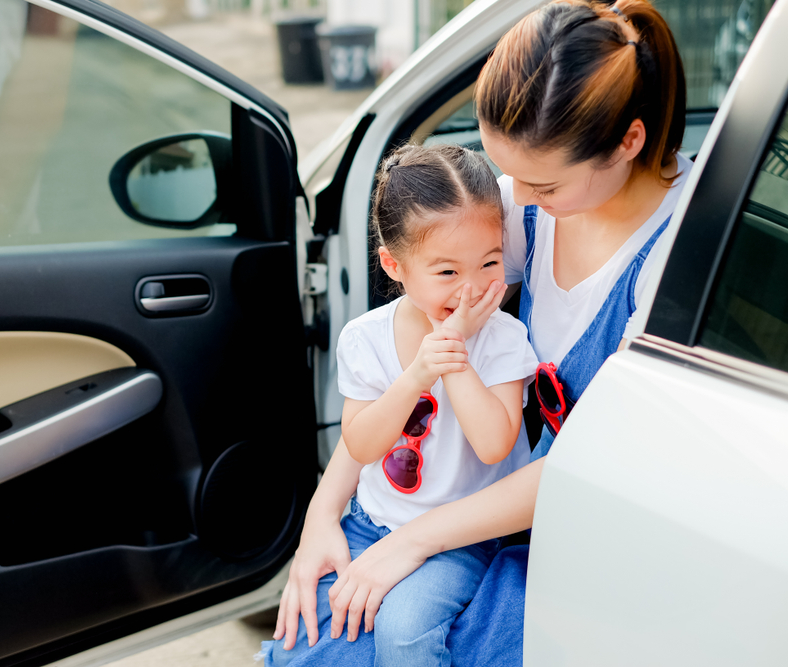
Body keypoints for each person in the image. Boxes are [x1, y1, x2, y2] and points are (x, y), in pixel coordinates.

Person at [268, 0, 691, 665]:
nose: (516, 195)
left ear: (628, 142)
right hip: (485, 506)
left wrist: (415, 540)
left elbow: (596, 466)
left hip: (581, 520)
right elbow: (404, 350)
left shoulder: (670, 264)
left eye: (540, 183)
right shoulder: (530, 211)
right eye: (509, 172)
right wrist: (324, 513)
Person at [258, 143, 539, 666]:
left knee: (405, 632)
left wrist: (453, 360)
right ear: (395, 265)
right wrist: (418, 373)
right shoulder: (366, 338)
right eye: (447, 273)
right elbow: (361, 443)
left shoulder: (502, 338)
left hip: (461, 538)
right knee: (299, 644)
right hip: (372, 522)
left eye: (490, 262)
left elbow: (494, 442)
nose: (473, 288)